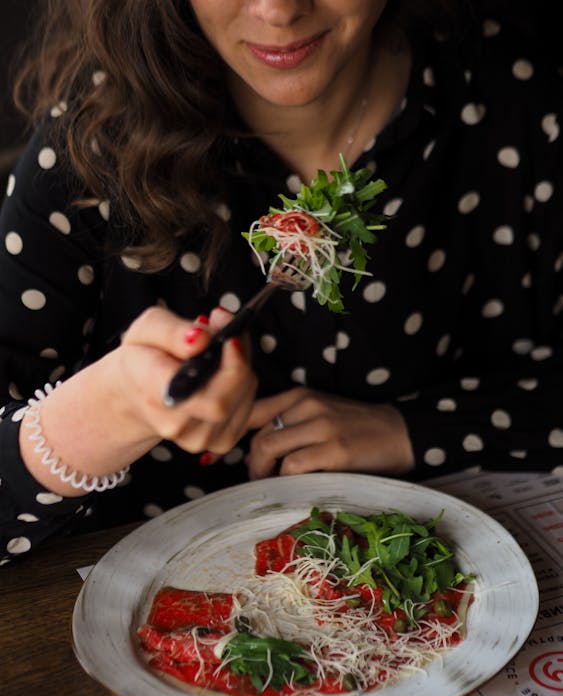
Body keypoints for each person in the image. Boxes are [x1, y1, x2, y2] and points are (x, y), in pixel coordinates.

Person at [1, 0, 562, 563]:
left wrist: (416, 430)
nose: (278, 10)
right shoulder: (85, 149)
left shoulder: (522, 96)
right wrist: (109, 409)